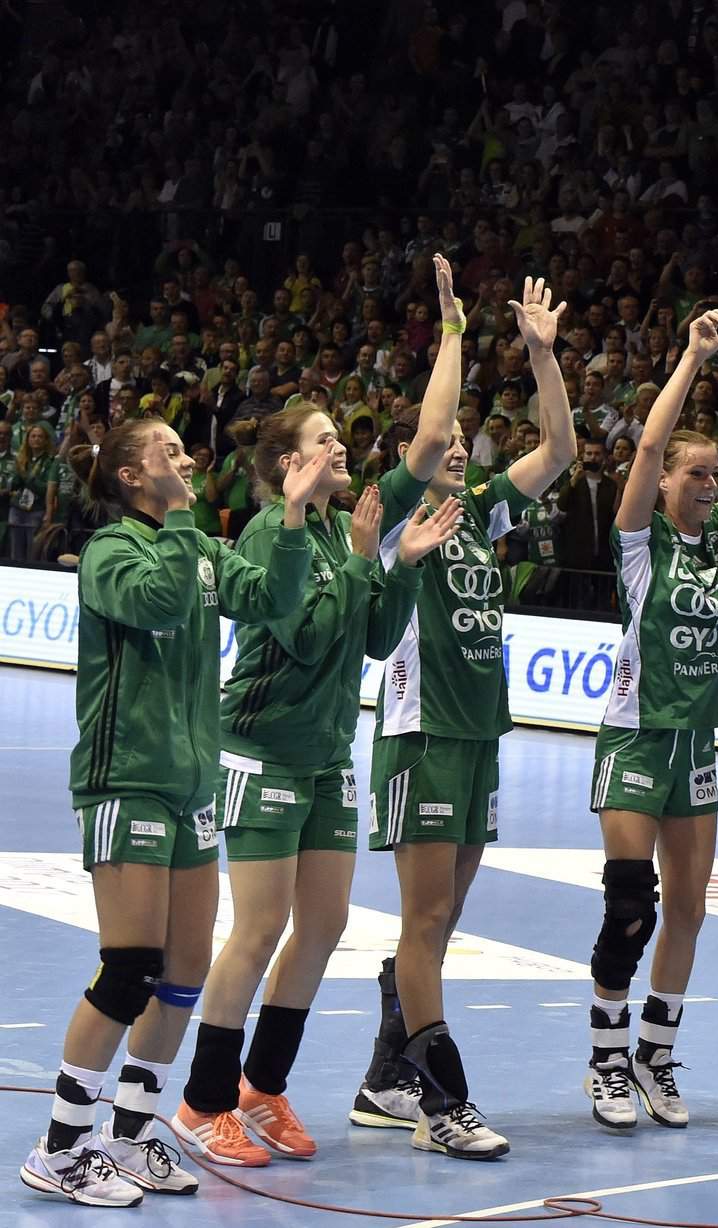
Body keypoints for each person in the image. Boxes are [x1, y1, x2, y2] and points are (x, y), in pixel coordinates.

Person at [20, 418, 315, 1206]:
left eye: (186, 450)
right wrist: (186, 518)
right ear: (129, 475)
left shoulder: (199, 548)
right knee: (129, 969)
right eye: (169, 452)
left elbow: (273, 598)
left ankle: (130, 1133)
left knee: (184, 972)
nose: (187, 459)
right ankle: (60, 1149)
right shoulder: (113, 552)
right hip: (127, 780)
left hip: (191, 788)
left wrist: (291, 519)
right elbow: (159, 603)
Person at [169, 401, 460, 1165]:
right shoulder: (275, 531)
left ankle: (263, 1088)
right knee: (260, 928)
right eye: (323, 437)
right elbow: (302, 638)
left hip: (328, 758)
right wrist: (366, 562)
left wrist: (401, 566)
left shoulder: (343, 527)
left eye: (339, 435)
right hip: (262, 751)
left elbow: (374, 641)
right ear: (287, 463)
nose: (340, 446)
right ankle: (203, 1102)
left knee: (325, 925)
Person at [352, 273, 577, 1160]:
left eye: (461, 443)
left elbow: (559, 450)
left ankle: (384, 1079)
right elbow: (432, 429)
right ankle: (443, 1103)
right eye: (439, 444)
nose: (453, 447)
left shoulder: (479, 512)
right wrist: (452, 330)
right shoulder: (395, 514)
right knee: (425, 921)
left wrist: (543, 355)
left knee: (440, 926)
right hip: (422, 735)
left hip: (480, 736)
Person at [580, 301, 718, 1131]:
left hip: (695, 744)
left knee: (691, 911)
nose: (709, 483)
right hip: (635, 737)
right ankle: (605, 1059)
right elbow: (647, 445)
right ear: (666, 482)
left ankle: (654, 1056)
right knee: (632, 907)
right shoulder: (642, 541)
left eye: (713, 474)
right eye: (694, 473)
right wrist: (695, 356)